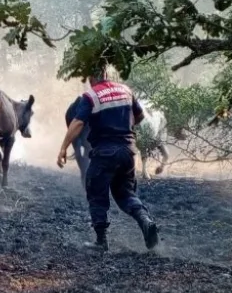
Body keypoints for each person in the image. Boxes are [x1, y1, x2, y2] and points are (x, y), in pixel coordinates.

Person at [57, 66, 160, 251]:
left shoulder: (91, 96)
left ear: (90, 77)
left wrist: (64, 147)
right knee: (126, 194)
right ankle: (145, 221)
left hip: (105, 153)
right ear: (106, 74)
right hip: (128, 152)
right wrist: (124, 127)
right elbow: (140, 115)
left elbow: (79, 122)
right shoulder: (126, 90)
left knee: (96, 191)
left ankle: (101, 241)